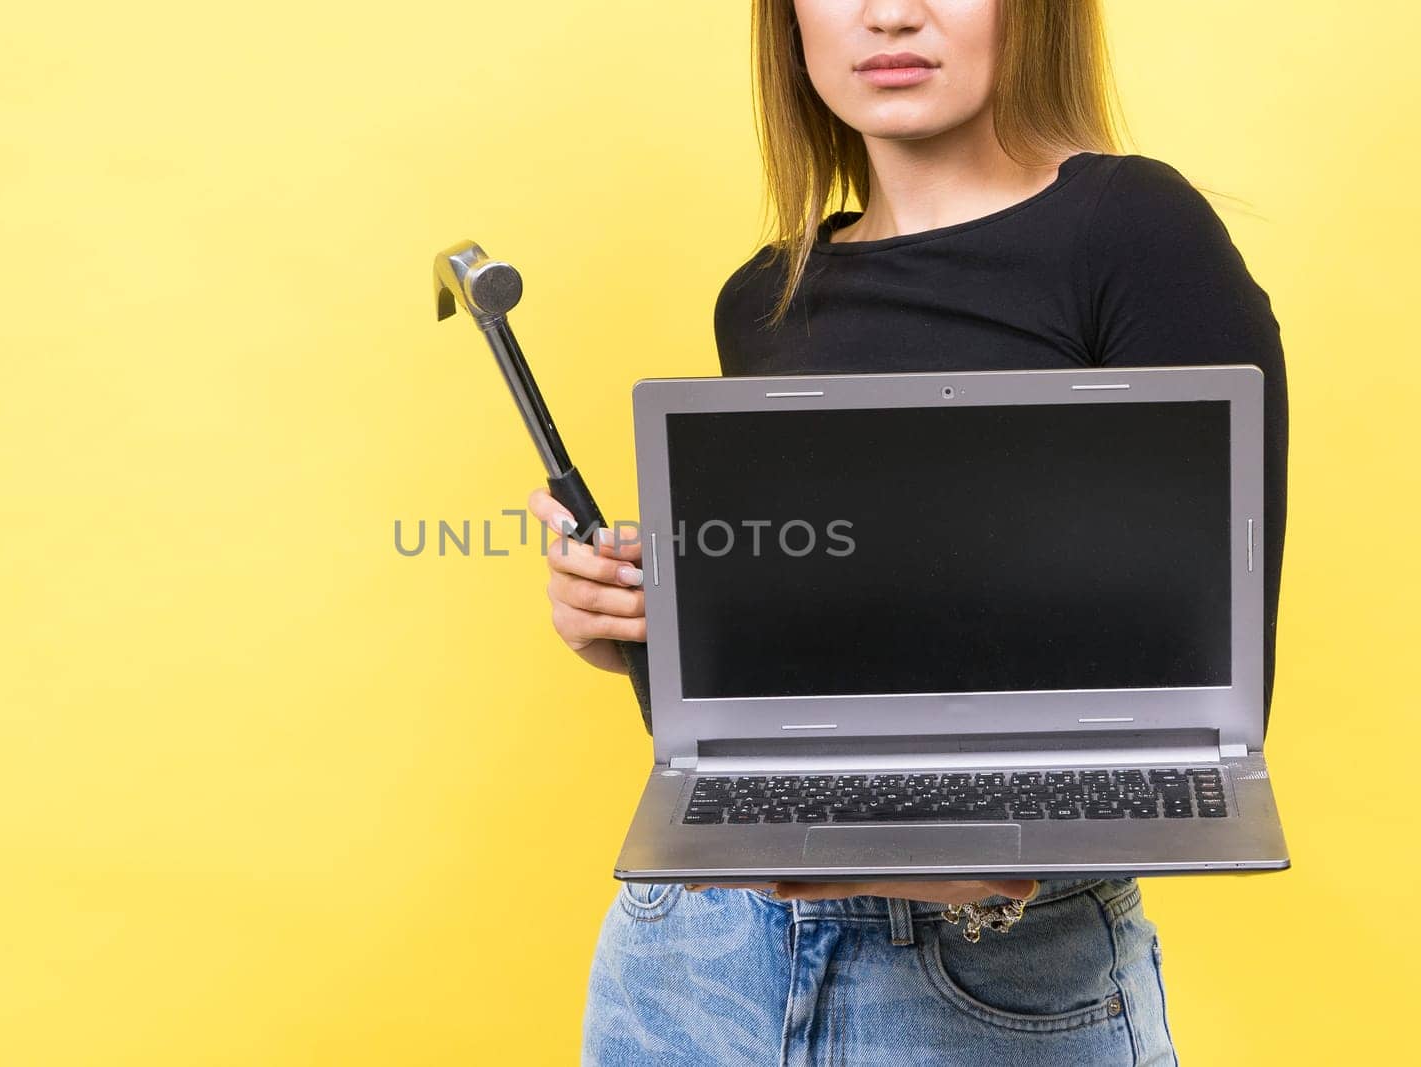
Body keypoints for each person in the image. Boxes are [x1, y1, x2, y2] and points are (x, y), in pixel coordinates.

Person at [528, 1, 1287, 1063]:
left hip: (990, 977)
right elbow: (799, 695)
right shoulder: (760, 300)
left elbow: (1204, 696)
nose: (890, 12)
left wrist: (948, 860)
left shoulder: (1136, 231)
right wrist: (633, 616)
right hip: (691, 962)